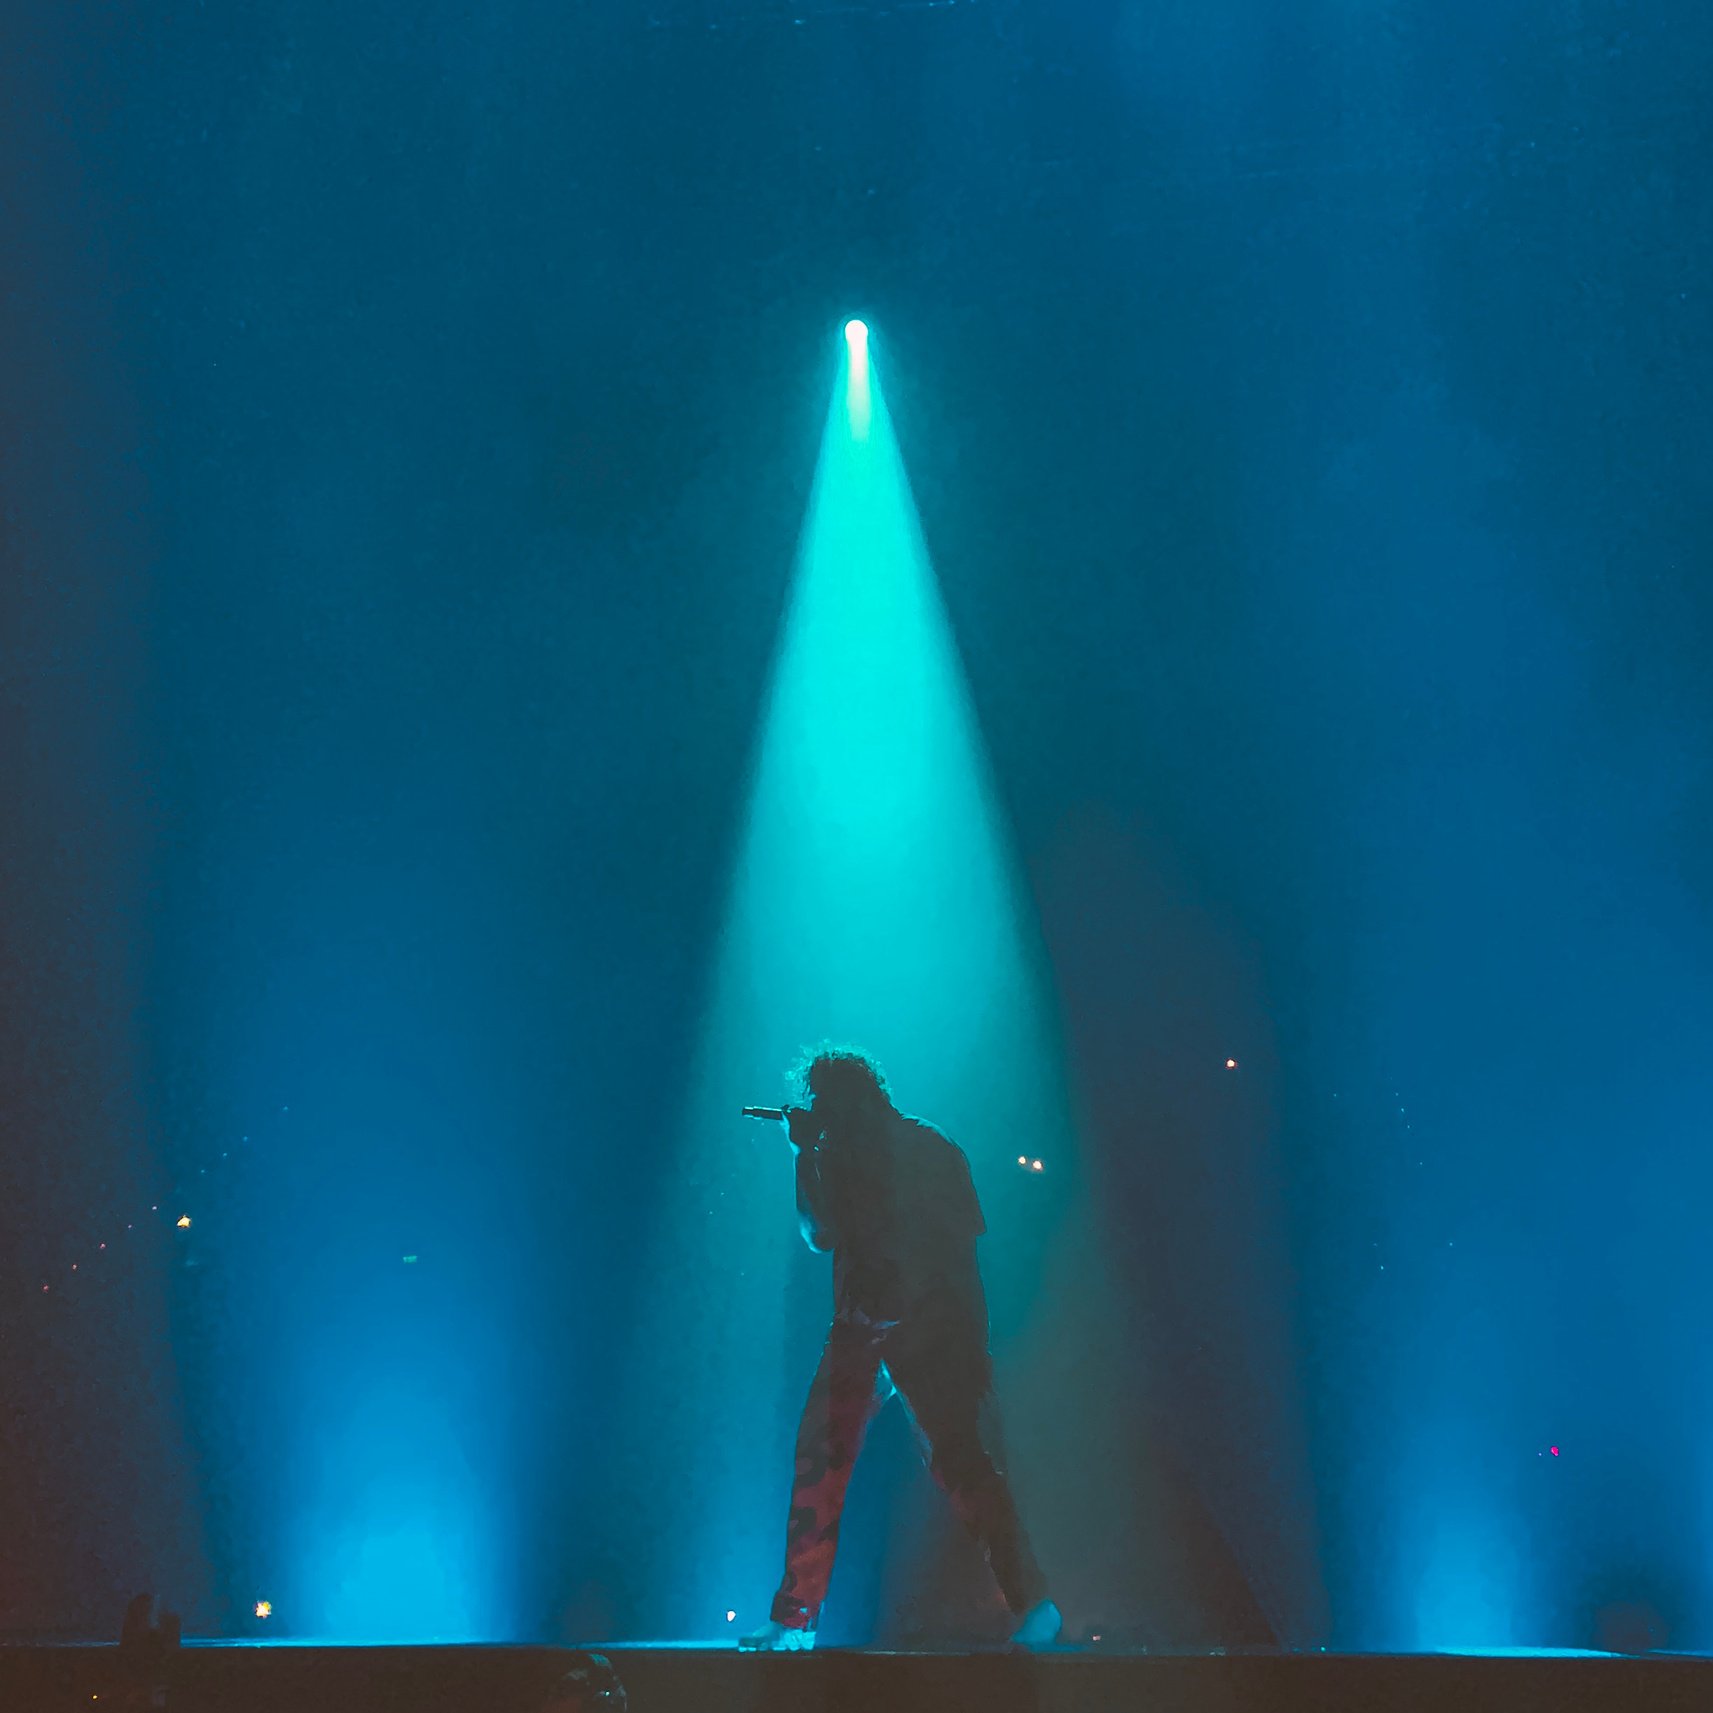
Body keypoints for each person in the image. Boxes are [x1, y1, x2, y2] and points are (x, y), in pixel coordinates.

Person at [741, 1047, 1061, 1652]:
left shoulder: (840, 1150)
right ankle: (1035, 1604)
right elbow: (967, 1251)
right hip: (935, 1326)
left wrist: (802, 1152)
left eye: (821, 1104)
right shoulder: (934, 1144)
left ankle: (795, 1618)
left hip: (877, 1324)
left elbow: (820, 1233)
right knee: (962, 1465)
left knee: (824, 1463)